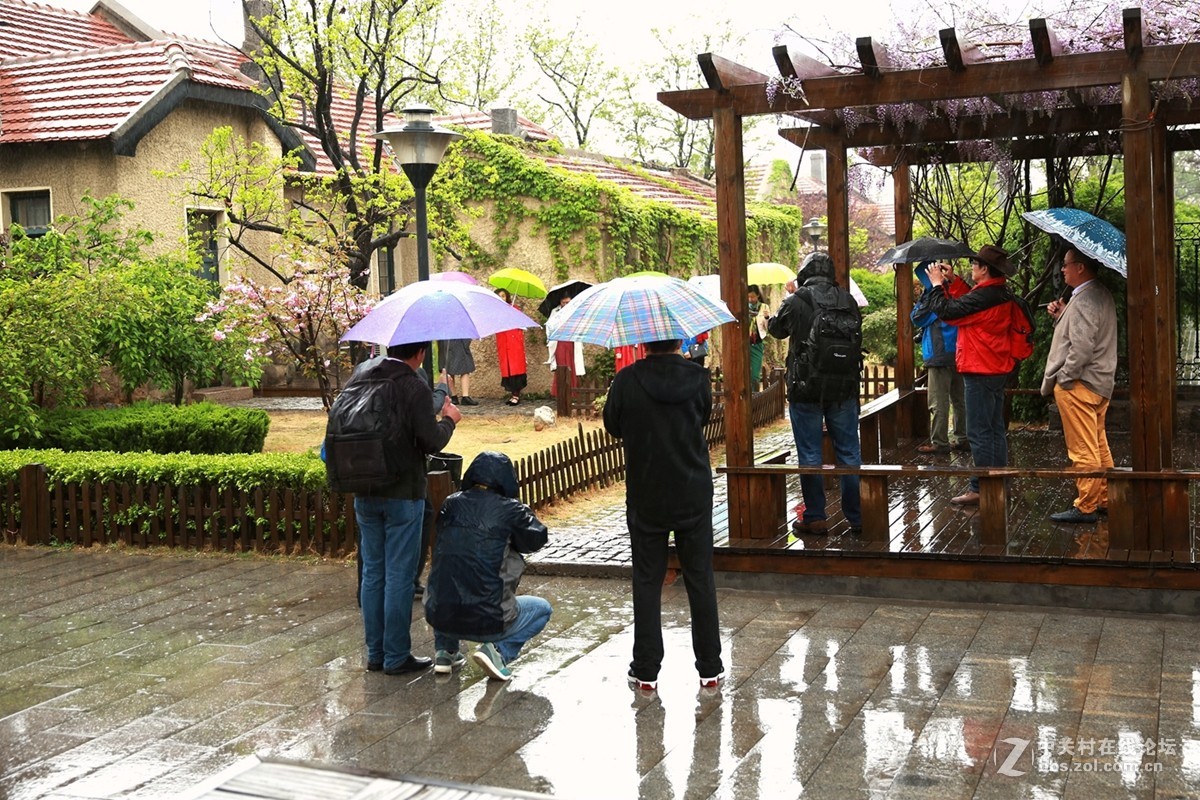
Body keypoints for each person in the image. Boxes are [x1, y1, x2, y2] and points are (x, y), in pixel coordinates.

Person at [603, 338, 723, 691]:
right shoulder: (698, 378)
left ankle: (646, 670)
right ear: (677, 341)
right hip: (692, 488)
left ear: (643, 341)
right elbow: (703, 417)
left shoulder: (626, 380)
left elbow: (613, 424)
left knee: (647, 579)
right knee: (699, 576)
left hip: (647, 489)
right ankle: (710, 668)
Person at [351, 341, 461, 675]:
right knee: (399, 574)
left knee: (373, 572)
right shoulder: (412, 385)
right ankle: (396, 656)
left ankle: (376, 653)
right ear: (420, 354)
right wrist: (449, 420)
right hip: (402, 493)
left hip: (364, 487)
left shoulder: (362, 376)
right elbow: (430, 440)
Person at [424, 451, 550, 681]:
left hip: (440, 615)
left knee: (449, 575)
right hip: (488, 618)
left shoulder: (450, 503)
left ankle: (445, 651)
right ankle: (498, 653)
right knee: (542, 609)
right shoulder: (511, 510)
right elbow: (536, 539)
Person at [768, 251, 863, 534]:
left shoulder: (797, 300)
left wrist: (790, 298)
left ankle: (815, 516)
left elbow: (776, 330)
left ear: (804, 272)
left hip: (805, 388)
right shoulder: (847, 299)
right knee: (848, 453)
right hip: (844, 388)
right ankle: (856, 517)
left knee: (809, 453)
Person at [923, 245, 1019, 505]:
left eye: (975, 265)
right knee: (994, 428)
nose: (972, 268)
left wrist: (935, 285)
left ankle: (981, 486)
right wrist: (953, 281)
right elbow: (969, 303)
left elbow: (950, 312)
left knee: (978, 431)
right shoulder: (999, 292)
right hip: (997, 366)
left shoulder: (985, 297)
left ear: (985, 269)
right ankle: (999, 481)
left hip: (980, 368)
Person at [1042, 249, 1118, 523]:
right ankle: (1106, 498)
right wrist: (1062, 314)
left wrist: (1066, 377)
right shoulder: (1098, 294)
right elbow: (1086, 333)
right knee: (1098, 443)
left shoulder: (1086, 298)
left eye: (1066, 265)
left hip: (1080, 385)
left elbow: (1082, 347)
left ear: (1081, 267)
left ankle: (1086, 505)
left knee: (1083, 448)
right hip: (1098, 383)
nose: (1063, 270)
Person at [912, 261, 970, 454]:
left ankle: (940, 442)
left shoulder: (934, 296)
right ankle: (963, 438)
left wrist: (926, 294)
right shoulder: (956, 291)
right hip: (959, 352)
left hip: (938, 353)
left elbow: (917, 318)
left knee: (938, 402)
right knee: (959, 399)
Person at [493, 289, 528, 406]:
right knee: (508, 369)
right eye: (499, 296)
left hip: (514, 344)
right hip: (503, 344)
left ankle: (516, 396)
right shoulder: (495, 312)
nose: (501, 298)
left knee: (515, 369)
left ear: (507, 297)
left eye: (503, 296)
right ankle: (513, 394)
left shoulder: (514, 309)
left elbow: (521, 325)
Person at [546, 294, 586, 396]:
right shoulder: (555, 312)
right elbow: (549, 326)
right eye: (563, 302)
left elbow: (581, 325)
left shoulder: (577, 310)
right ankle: (560, 392)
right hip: (560, 341)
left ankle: (572, 392)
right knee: (561, 366)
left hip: (572, 341)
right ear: (560, 302)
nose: (565, 304)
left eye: (568, 302)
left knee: (572, 366)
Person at [438, 339, 477, 405]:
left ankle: (454, 397)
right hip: (458, 340)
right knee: (465, 367)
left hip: (445, 340)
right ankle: (465, 396)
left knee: (448, 367)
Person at [747, 285, 770, 390]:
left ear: (758, 296)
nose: (751, 300)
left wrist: (766, 318)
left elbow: (767, 327)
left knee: (755, 374)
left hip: (757, 342)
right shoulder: (743, 307)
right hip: (744, 343)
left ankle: (754, 395)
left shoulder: (764, 307)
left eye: (753, 297)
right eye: (748, 297)